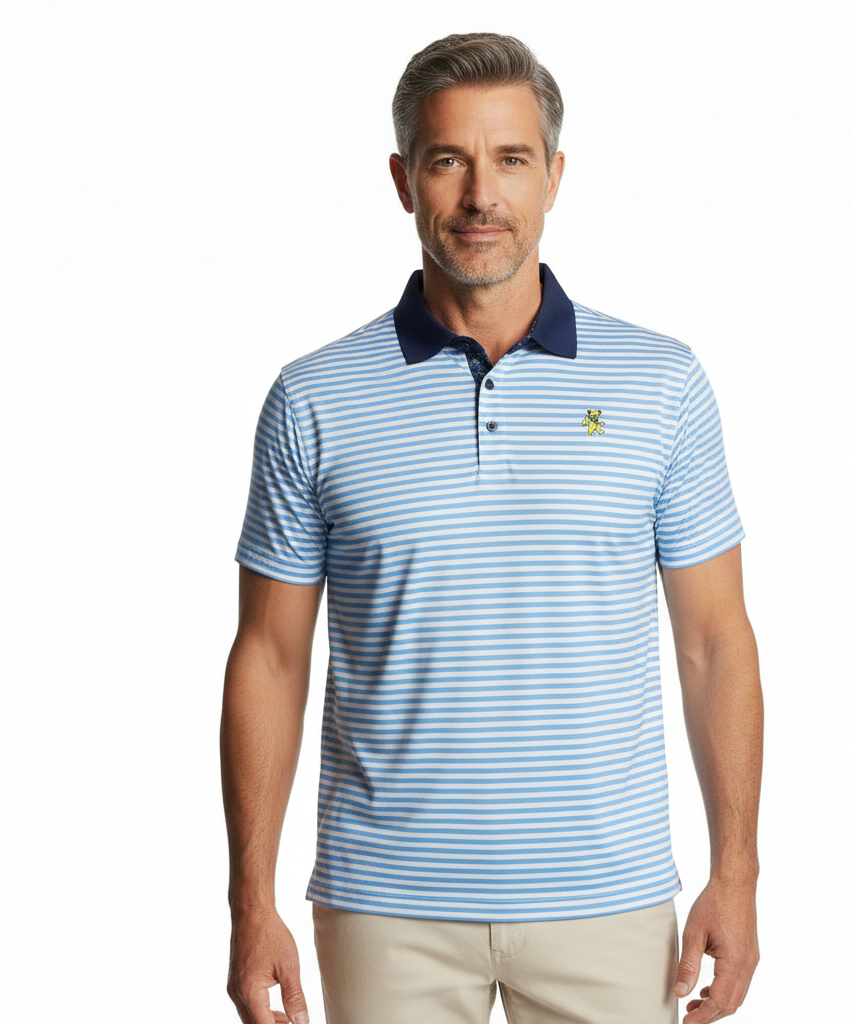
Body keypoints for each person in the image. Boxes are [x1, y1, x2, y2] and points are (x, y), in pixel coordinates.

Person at [222, 32, 762, 1024]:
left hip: (607, 898)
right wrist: (249, 902)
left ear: (554, 176)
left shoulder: (662, 384)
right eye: (448, 161)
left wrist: (738, 873)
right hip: (385, 905)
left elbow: (715, 643)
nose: (481, 196)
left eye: (511, 159)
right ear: (402, 181)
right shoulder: (315, 398)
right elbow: (269, 657)